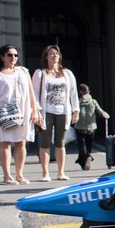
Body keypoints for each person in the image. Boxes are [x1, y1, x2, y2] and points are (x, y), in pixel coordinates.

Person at [0, 45, 41, 184]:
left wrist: (35, 110)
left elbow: (31, 92)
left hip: (23, 110)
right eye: (9, 55)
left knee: (21, 142)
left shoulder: (22, 72)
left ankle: (19, 174)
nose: (13, 58)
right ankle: (7, 175)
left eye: (15, 55)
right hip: (4, 112)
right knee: (5, 143)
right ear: (2, 57)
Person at [32, 45, 79, 181]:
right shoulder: (40, 73)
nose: (54, 56)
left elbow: (73, 92)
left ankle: (60, 172)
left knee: (60, 143)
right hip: (46, 112)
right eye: (51, 54)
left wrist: (76, 110)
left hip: (63, 111)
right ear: (46, 56)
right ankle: (45, 173)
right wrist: (37, 112)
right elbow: (34, 94)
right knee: (45, 143)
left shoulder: (67, 73)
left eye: (56, 54)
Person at [73, 83, 109, 170]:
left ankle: (85, 158)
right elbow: (101, 112)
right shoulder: (93, 101)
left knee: (82, 145)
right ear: (88, 91)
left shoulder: (76, 102)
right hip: (92, 127)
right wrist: (106, 115)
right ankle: (87, 156)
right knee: (89, 144)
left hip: (79, 126)